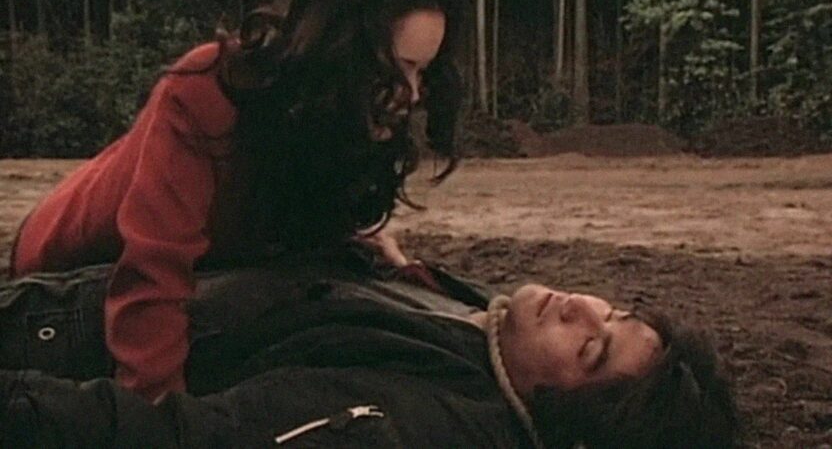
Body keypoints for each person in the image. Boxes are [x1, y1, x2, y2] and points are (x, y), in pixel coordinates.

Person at [7, 0, 464, 402]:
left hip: (206, 267)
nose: (414, 93)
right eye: (403, 68)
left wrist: (383, 262)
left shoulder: (338, 116)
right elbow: (152, 274)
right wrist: (160, 418)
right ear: (341, 51)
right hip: (66, 269)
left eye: (422, 72)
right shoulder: (209, 90)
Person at [0, 246, 737, 448]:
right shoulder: (493, 328)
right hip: (66, 302)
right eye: (614, 313)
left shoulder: (397, 426)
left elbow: (178, 438)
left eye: (591, 350)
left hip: (47, 351)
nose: (581, 306)